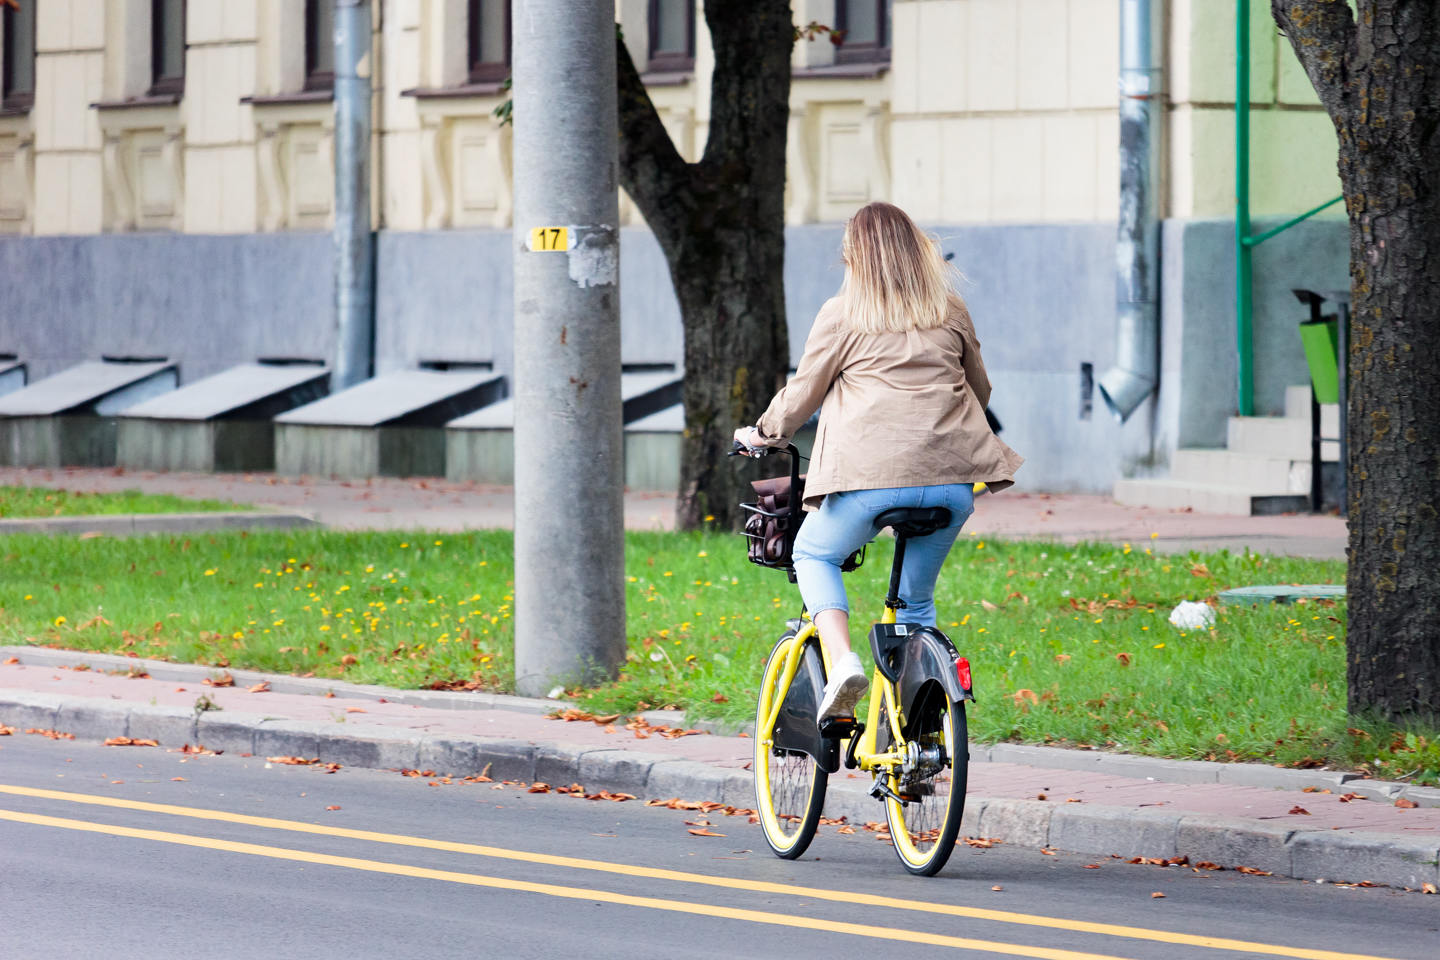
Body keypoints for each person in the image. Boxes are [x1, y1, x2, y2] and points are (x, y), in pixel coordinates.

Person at [734, 201, 1023, 725]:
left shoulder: (843, 314)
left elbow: (803, 394)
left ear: (855, 259)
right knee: (916, 605)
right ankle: (920, 738)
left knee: (814, 555)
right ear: (916, 251)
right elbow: (980, 389)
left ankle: (843, 661)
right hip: (951, 486)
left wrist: (763, 432)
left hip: (869, 483)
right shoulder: (949, 308)